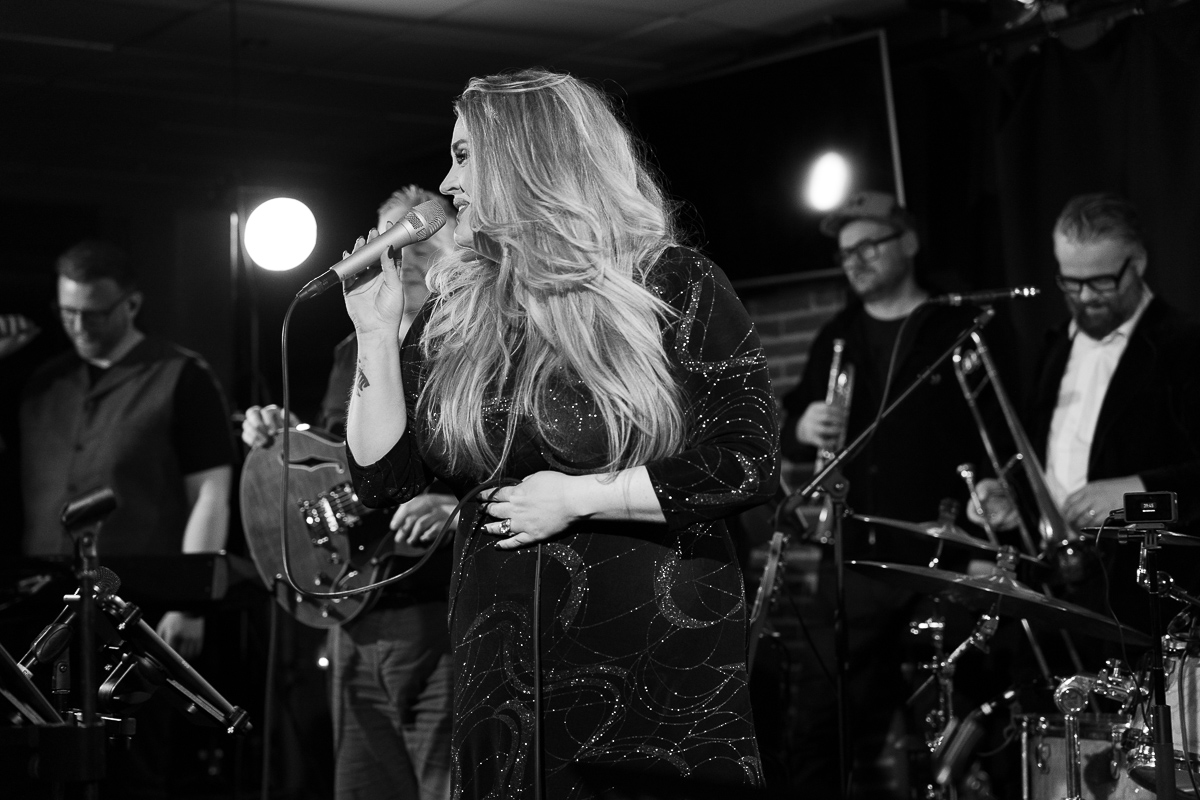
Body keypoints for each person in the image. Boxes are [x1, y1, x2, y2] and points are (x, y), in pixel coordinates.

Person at [340, 69, 778, 799]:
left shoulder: (669, 282)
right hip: (501, 674)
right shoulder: (459, 311)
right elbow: (383, 479)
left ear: (528, 157)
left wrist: (579, 498)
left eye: (464, 156)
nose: (447, 184)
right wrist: (375, 334)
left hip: (647, 667)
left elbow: (745, 463)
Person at [778, 190, 1001, 797]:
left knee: (952, 729)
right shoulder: (838, 335)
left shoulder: (956, 329)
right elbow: (795, 424)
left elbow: (995, 436)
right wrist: (802, 425)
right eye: (845, 252)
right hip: (853, 561)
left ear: (908, 241)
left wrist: (986, 530)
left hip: (944, 559)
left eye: (869, 245)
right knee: (822, 728)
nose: (855, 260)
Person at [241, 186, 458, 800]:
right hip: (353, 608)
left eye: (420, 242)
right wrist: (287, 436)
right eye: (392, 244)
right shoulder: (350, 348)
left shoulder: (470, 344)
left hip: (437, 611)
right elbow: (343, 457)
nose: (404, 258)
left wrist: (456, 507)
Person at [19, 238, 235, 798]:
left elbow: (211, 493)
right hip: (43, 609)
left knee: (133, 767)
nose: (79, 326)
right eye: (68, 312)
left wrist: (191, 601)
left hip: (135, 610)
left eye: (94, 314)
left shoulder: (180, 374)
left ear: (131, 304)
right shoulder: (42, 381)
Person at [972, 192, 1200, 636]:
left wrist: (1135, 492)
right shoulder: (1054, 346)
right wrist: (1007, 495)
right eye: (1071, 283)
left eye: (1101, 282)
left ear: (1137, 263)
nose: (1085, 297)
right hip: (1056, 588)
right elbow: (1043, 457)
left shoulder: (1185, 345)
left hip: (1146, 603)